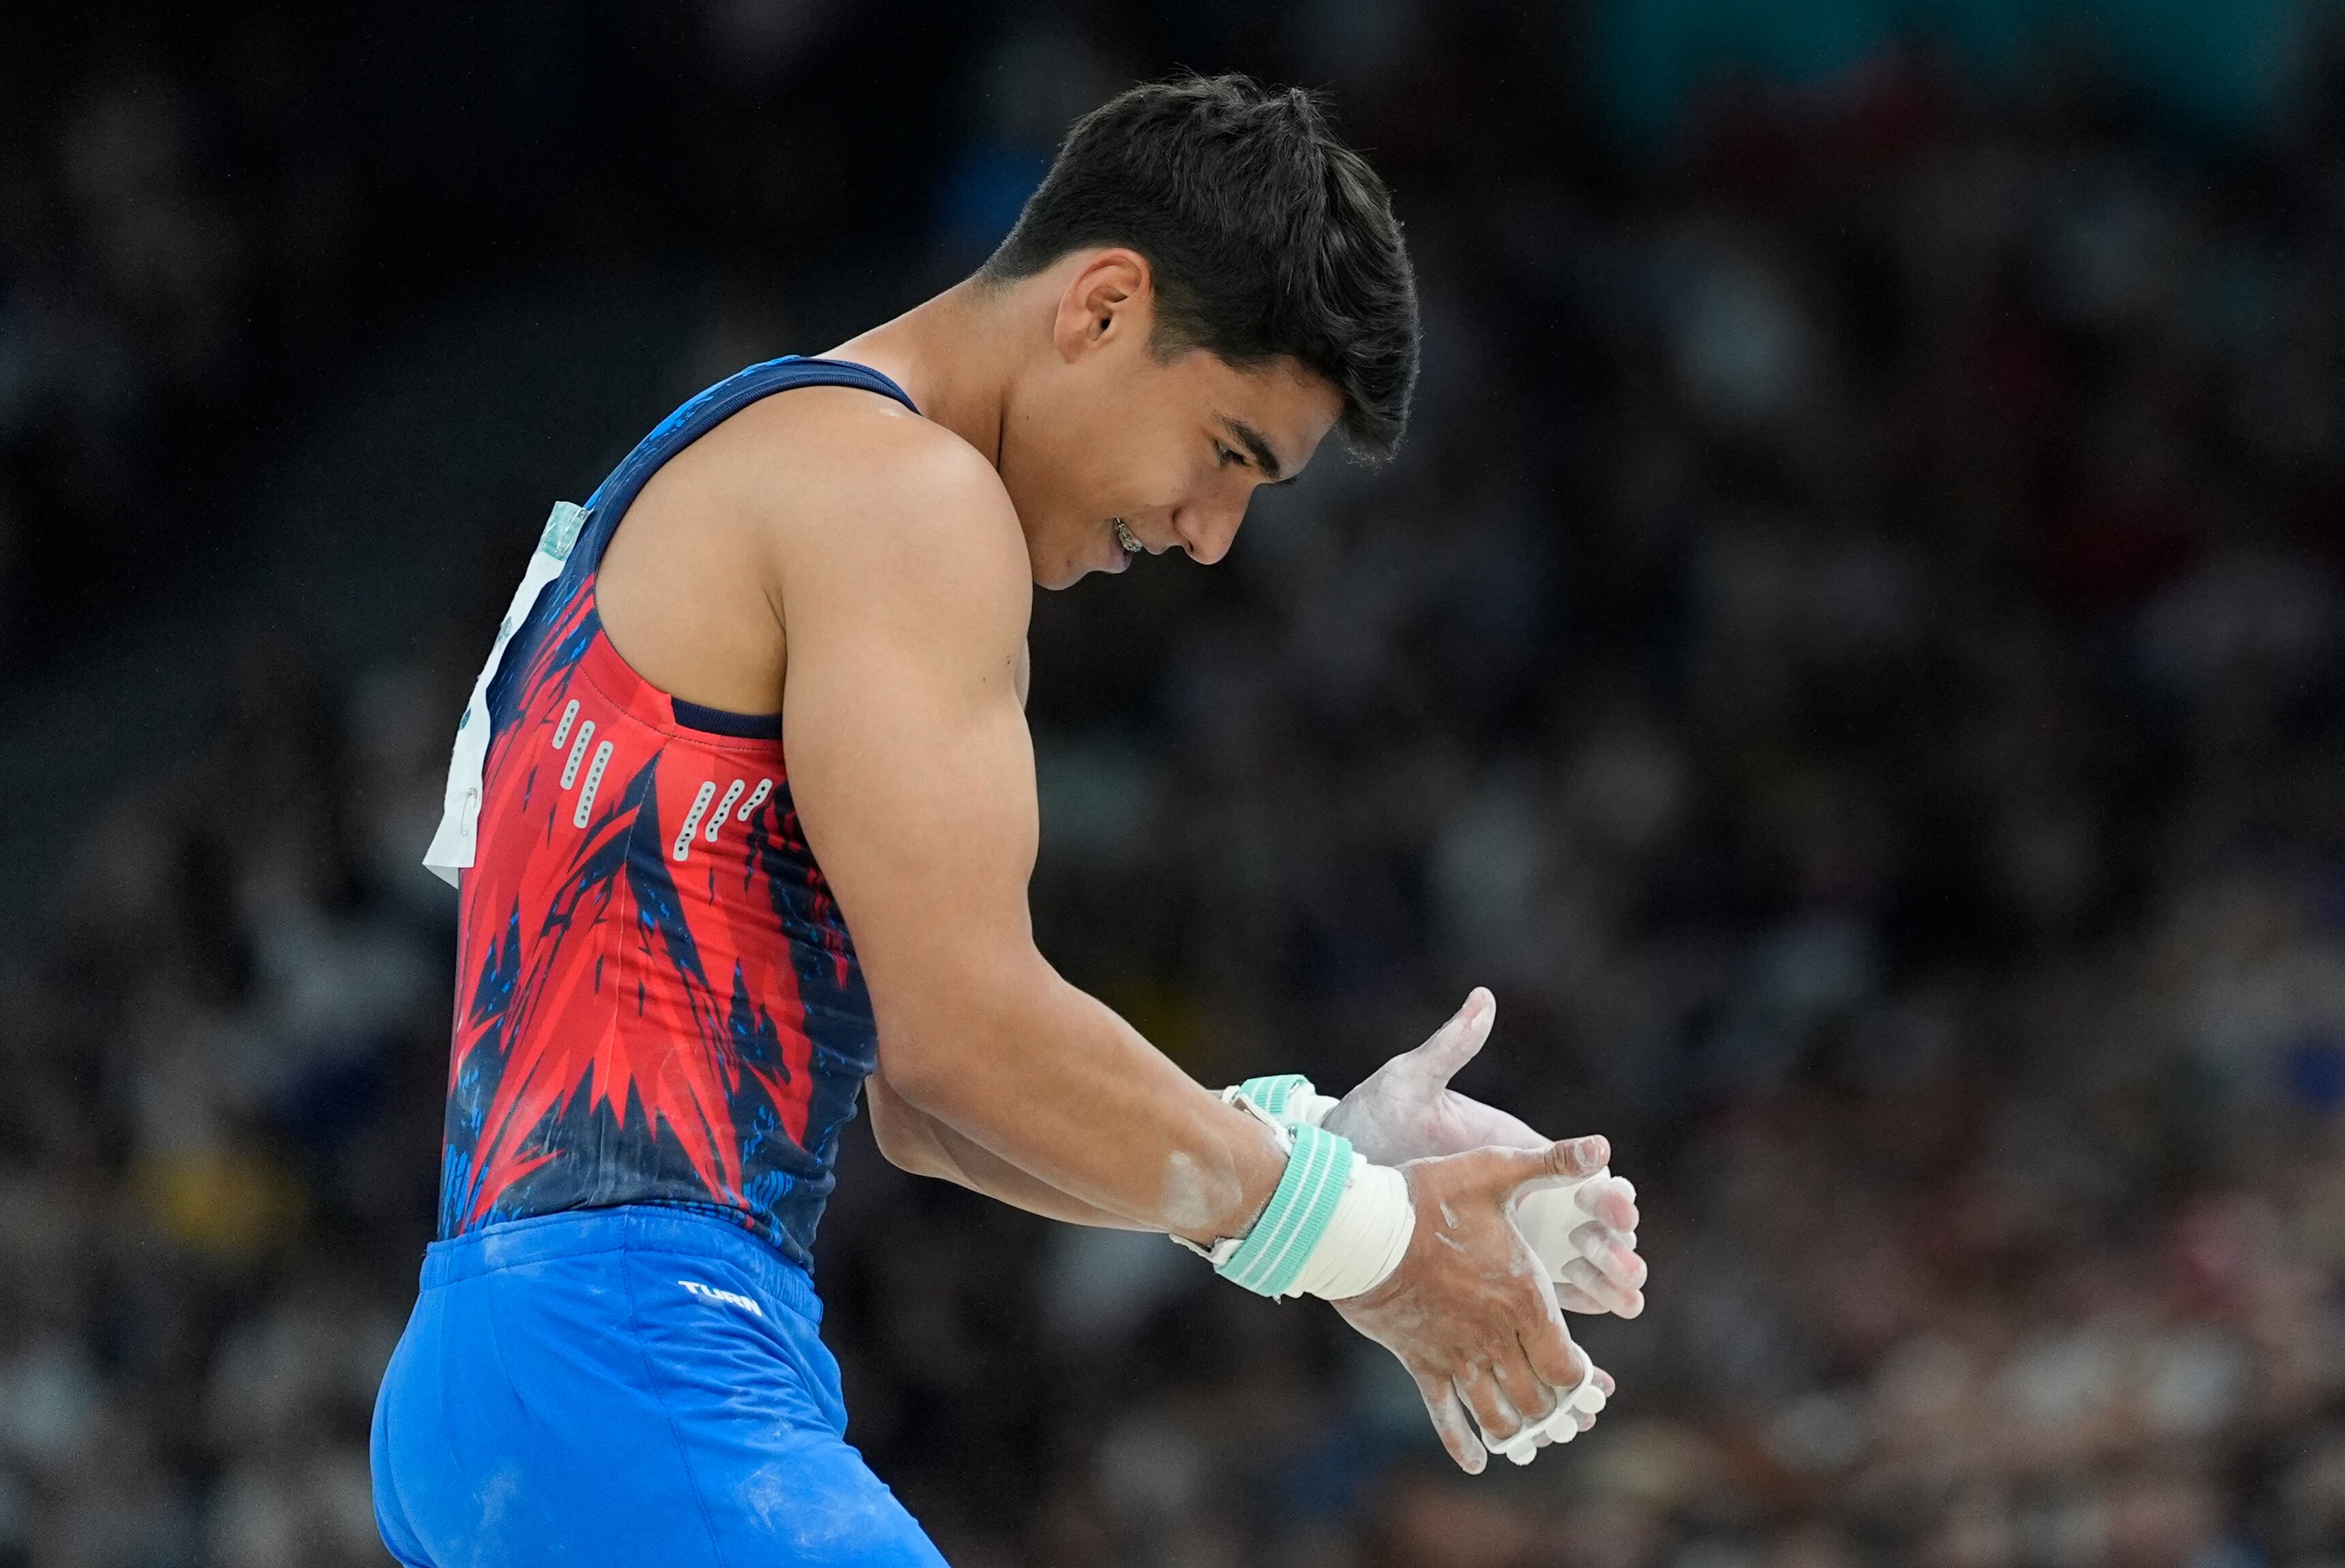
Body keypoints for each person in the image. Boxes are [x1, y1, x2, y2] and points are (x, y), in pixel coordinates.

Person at [372, 74, 1648, 1567]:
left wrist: (1322, 1168)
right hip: (636, 1364)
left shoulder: (748, 458)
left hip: (500, 1380)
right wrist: (1376, 1240)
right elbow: (967, 1038)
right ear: (1102, 306)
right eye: (1228, 452)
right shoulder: (908, 498)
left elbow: (932, 1110)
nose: (1210, 534)